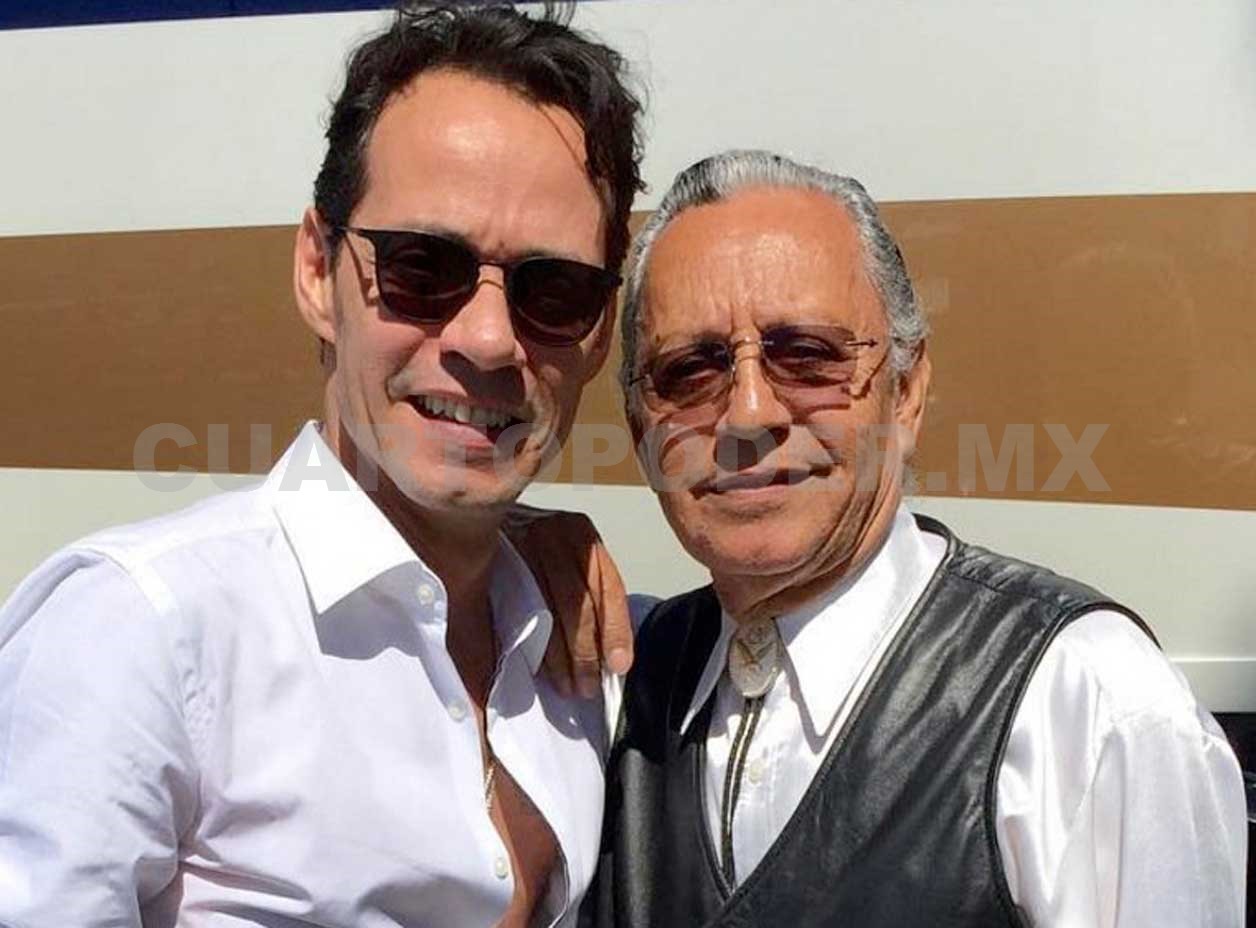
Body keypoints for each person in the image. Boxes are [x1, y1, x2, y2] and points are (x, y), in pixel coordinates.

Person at [0, 3, 643, 925]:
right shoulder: (143, 632)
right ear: (316, 270)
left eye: (555, 289)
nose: (488, 339)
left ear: (600, 329)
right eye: (422, 267)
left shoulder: (580, 650)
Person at [591, 150, 1247, 927]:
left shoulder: (1084, 704)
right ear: (640, 427)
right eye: (690, 371)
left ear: (905, 393)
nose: (749, 413)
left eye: (808, 356)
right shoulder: (622, 686)